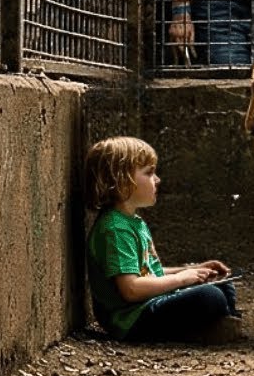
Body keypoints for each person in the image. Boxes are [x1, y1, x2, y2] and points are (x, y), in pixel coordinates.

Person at [83, 136, 241, 344]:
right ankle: (209, 329)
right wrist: (183, 279)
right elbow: (131, 289)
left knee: (221, 284)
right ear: (120, 181)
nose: (157, 179)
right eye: (149, 173)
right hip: (132, 320)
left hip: (149, 303)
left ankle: (220, 325)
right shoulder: (115, 229)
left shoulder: (133, 221)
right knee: (210, 296)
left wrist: (190, 269)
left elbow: (149, 271)